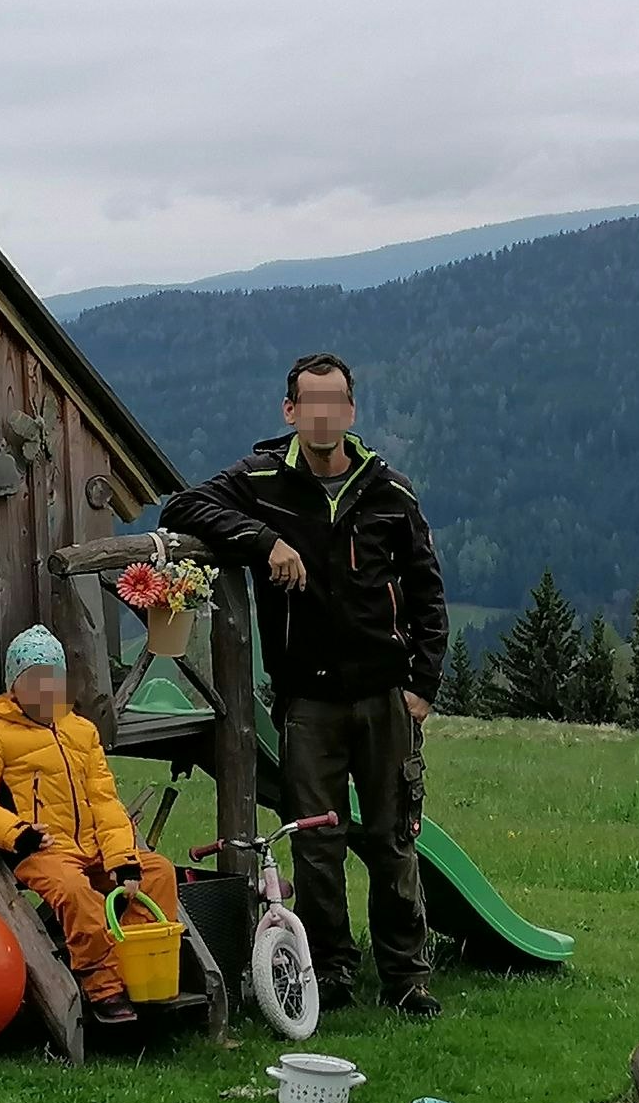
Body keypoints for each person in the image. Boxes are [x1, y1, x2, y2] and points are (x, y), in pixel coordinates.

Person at [158, 352, 451, 1016]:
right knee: (316, 847)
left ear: (351, 412)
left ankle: (407, 978)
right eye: (309, 402)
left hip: (385, 696)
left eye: (335, 402)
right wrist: (262, 540)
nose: (322, 414)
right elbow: (183, 506)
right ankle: (334, 974)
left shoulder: (389, 492)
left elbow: (429, 592)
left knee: (391, 839)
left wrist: (422, 686)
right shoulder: (261, 479)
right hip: (307, 700)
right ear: (290, 412)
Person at [0, 625, 180, 1029]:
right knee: (78, 894)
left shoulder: (81, 731)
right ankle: (104, 988)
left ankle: (141, 972)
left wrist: (123, 860)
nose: (45, 690)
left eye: (52, 680)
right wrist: (17, 834)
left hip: (94, 844)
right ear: (15, 687)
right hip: (45, 849)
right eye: (34, 680)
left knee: (158, 872)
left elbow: (105, 802)